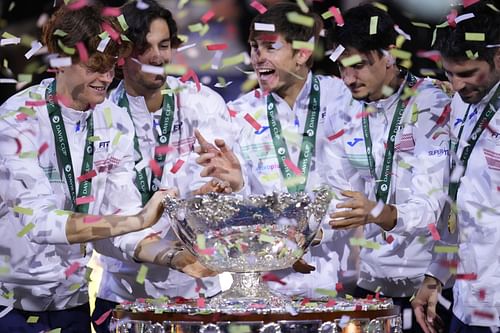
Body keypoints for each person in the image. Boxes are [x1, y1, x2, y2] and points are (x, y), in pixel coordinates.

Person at [0, 3, 215, 332]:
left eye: (112, 65)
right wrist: (139, 218)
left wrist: (175, 257)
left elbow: (117, 228)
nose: (107, 77)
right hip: (11, 310)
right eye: (95, 66)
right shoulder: (17, 119)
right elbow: (39, 224)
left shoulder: (112, 119)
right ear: (59, 61)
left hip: (72, 307)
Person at [195, 2, 360, 298]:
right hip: (268, 290)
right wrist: (237, 186)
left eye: (270, 47)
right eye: (254, 47)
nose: (258, 57)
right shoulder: (238, 114)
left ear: (302, 53)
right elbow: (240, 212)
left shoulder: (345, 101)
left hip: (343, 283)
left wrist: (311, 236)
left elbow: (360, 187)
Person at [91, 1, 235, 331]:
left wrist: (230, 185)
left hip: (199, 295)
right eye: (144, 47)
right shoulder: (100, 119)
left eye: (165, 44)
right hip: (125, 299)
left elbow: (233, 191)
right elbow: (98, 219)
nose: (158, 57)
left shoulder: (205, 104)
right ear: (121, 53)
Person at [324, 4, 453, 332]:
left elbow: (431, 208)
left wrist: (378, 211)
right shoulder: (342, 110)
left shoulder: (432, 103)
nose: (349, 79)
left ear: (390, 55)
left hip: (429, 286)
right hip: (370, 287)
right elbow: (335, 200)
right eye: (341, 67)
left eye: (359, 66)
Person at [411, 2, 500, 333]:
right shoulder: (461, 104)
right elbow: (459, 197)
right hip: (468, 300)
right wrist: (437, 273)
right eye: (449, 74)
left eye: (467, 73)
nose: (458, 86)